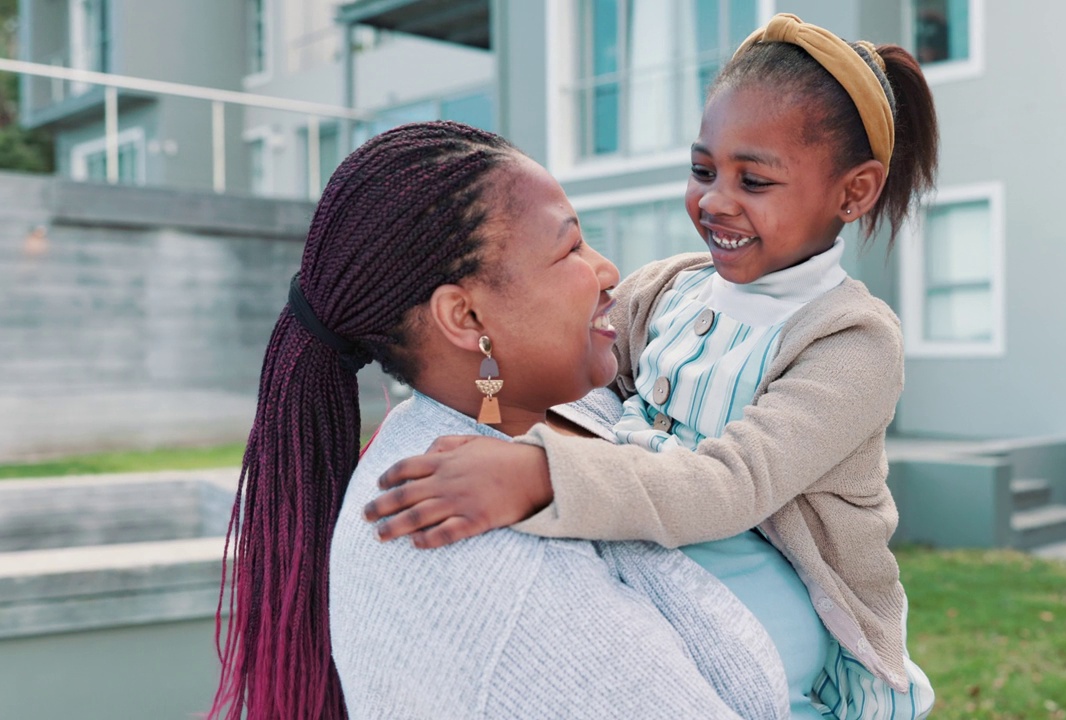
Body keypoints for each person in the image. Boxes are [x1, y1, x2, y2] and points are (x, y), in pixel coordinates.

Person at [365, 14, 940, 719]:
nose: (715, 200)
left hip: (789, 616)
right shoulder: (674, 287)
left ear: (853, 193)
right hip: (668, 551)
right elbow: (579, 367)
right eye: (703, 170)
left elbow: (732, 486)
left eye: (753, 180)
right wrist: (444, 406)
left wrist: (539, 477)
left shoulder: (850, 341)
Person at [208, 122, 791, 719]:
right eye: (570, 250)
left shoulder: (554, 409)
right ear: (465, 315)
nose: (608, 271)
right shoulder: (483, 559)